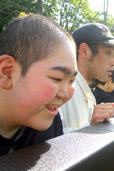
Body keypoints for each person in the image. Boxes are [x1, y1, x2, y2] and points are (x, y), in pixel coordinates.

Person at [0, 14, 77, 156]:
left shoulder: (49, 121)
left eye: (71, 81)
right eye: (57, 78)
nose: (65, 93)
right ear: (7, 73)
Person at [59, 23, 114, 133]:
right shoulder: (61, 90)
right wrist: (90, 128)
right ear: (85, 51)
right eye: (108, 53)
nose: (113, 62)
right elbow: (46, 144)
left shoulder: (83, 89)